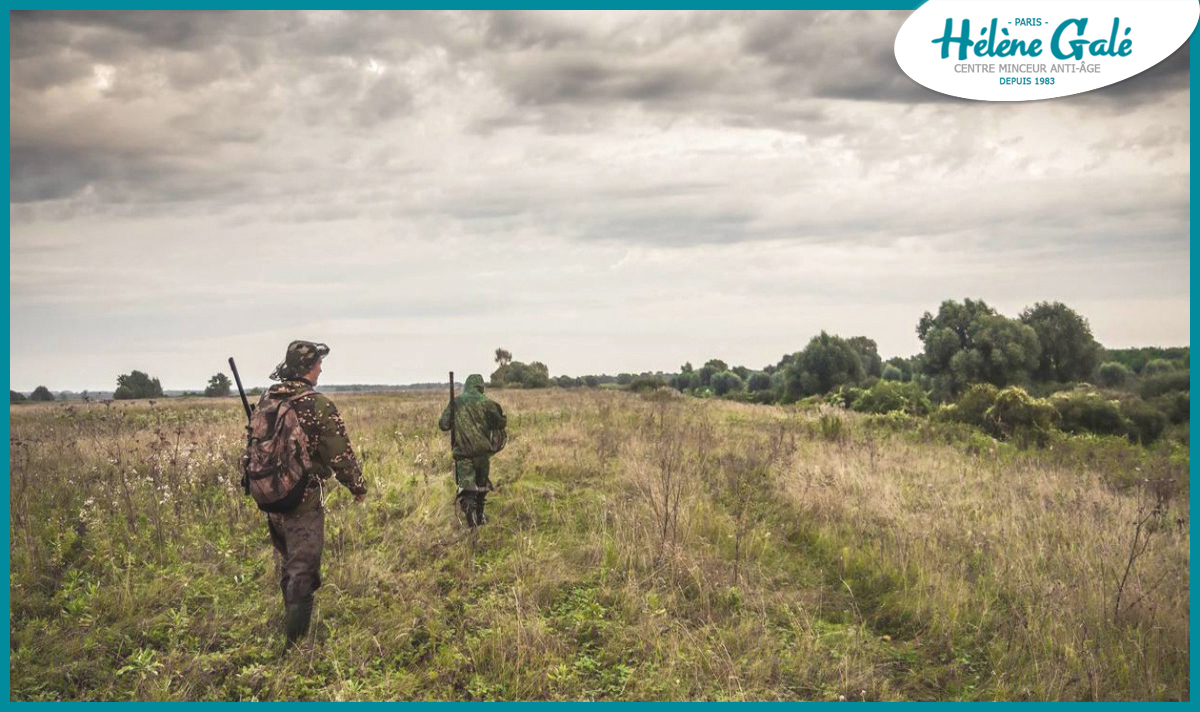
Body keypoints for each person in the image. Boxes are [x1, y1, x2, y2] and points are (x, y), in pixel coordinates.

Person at [257, 340, 367, 646]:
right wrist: (357, 487)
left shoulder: (267, 399)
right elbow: (339, 454)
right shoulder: (317, 404)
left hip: (270, 494)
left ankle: (292, 624)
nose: (321, 368)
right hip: (301, 496)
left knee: (288, 560)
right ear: (307, 368)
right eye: (317, 363)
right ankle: (296, 644)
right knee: (303, 566)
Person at [438, 374, 507, 527]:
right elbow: (500, 423)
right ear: (480, 386)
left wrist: (454, 420)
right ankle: (480, 515)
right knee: (482, 485)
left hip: (463, 454)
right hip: (483, 453)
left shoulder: (456, 402)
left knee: (467, 489)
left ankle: (471, 515)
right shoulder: (488, 403)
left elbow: (443, 424)